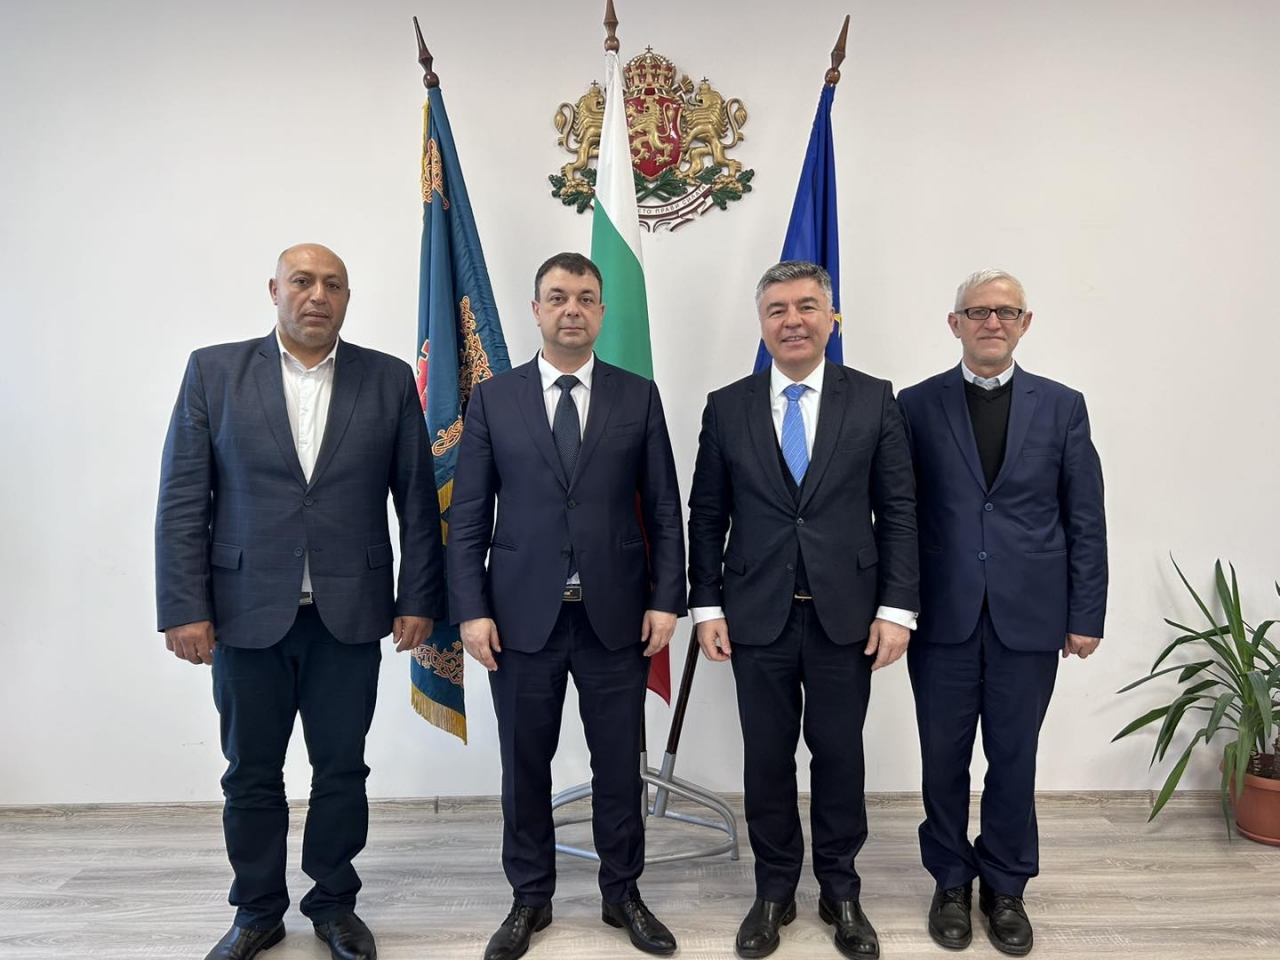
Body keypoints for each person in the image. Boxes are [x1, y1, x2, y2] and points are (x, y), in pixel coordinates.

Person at [155, 243, 445, 960]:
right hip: (244, 612)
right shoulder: (214, 371)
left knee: (342, 769)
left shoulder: (386, 379)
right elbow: (184, 497)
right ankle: (256, 911)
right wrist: (184, 606)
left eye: (333, 284)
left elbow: (416, 500)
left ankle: (334, 904)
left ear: (347, 297)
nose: (318, 295)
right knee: (250, 772)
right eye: (303, 281)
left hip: (350, 615)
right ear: (275, 290)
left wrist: (418, 596)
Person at [448, 252, 686, 960]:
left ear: (602, 312)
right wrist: (471, 609)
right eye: (557, 297)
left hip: (616, 617)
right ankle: (530, 897)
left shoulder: (637, 396)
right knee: (525, 766)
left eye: (585, 297)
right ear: (536, 310)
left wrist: (666, 600)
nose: (572, 308)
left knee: (618, 766)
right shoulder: (494, 399)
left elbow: (664, 509)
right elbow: (468, 517)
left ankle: (623, 893)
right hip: (520, 620)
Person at [687, 261, 919, 960]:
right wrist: (705, 605)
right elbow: (707, 514)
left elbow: (899, 511)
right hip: (755, 615)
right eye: (778, 309)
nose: (793, 320)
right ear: (761, 323)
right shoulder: (727, 406)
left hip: (847, 617)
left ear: (830, 317)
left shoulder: (873, 399)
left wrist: (897, 609)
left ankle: (840, 890)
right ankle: (774, 890)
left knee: (840, 756)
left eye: (807, 306)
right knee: (766, 758)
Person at [897, 269, 1107, 956]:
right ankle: (951, 881)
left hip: (1030, 616)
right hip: (942, 616)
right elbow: (898, 515)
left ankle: (1007, 885)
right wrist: (895, 606)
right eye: (978, 311)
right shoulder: (915, 405)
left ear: (1025, 323)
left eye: (1006, 312)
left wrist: (1087, 612)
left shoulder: (1063, 406)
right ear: (954, 323)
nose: (993, 322)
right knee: (943, 759)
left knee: (1014, 758)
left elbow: (1085, 517)